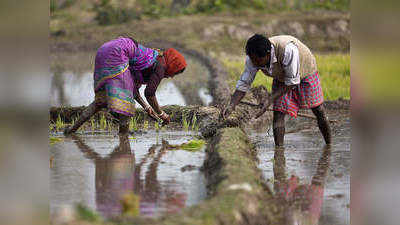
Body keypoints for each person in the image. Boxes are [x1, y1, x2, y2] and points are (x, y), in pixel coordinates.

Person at [222, 34, 331, 146]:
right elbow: (244, 83)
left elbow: (293, 82)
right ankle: (279, 152)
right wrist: (231, 105)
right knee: (278, 112)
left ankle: (329, 145)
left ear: (268, 54)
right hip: (281, 77)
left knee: (318, 109)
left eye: (258, 61)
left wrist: (269, 100)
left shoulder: (288, 50)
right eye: (252, 60)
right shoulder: (253, 58)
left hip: (305, 70)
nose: (254, 64)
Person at [64, 37, 187, 135]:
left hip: (104, 50)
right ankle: (123, 138)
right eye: (175, 73)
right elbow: (149, 93)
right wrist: (162, 114)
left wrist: (147, 108)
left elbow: (133, 90)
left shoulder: (149, 59)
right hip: (118, 52)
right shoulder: (161, 66)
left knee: (101, 101)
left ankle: (71, 130)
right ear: (173, 64)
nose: (171, 76)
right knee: (126, 105)